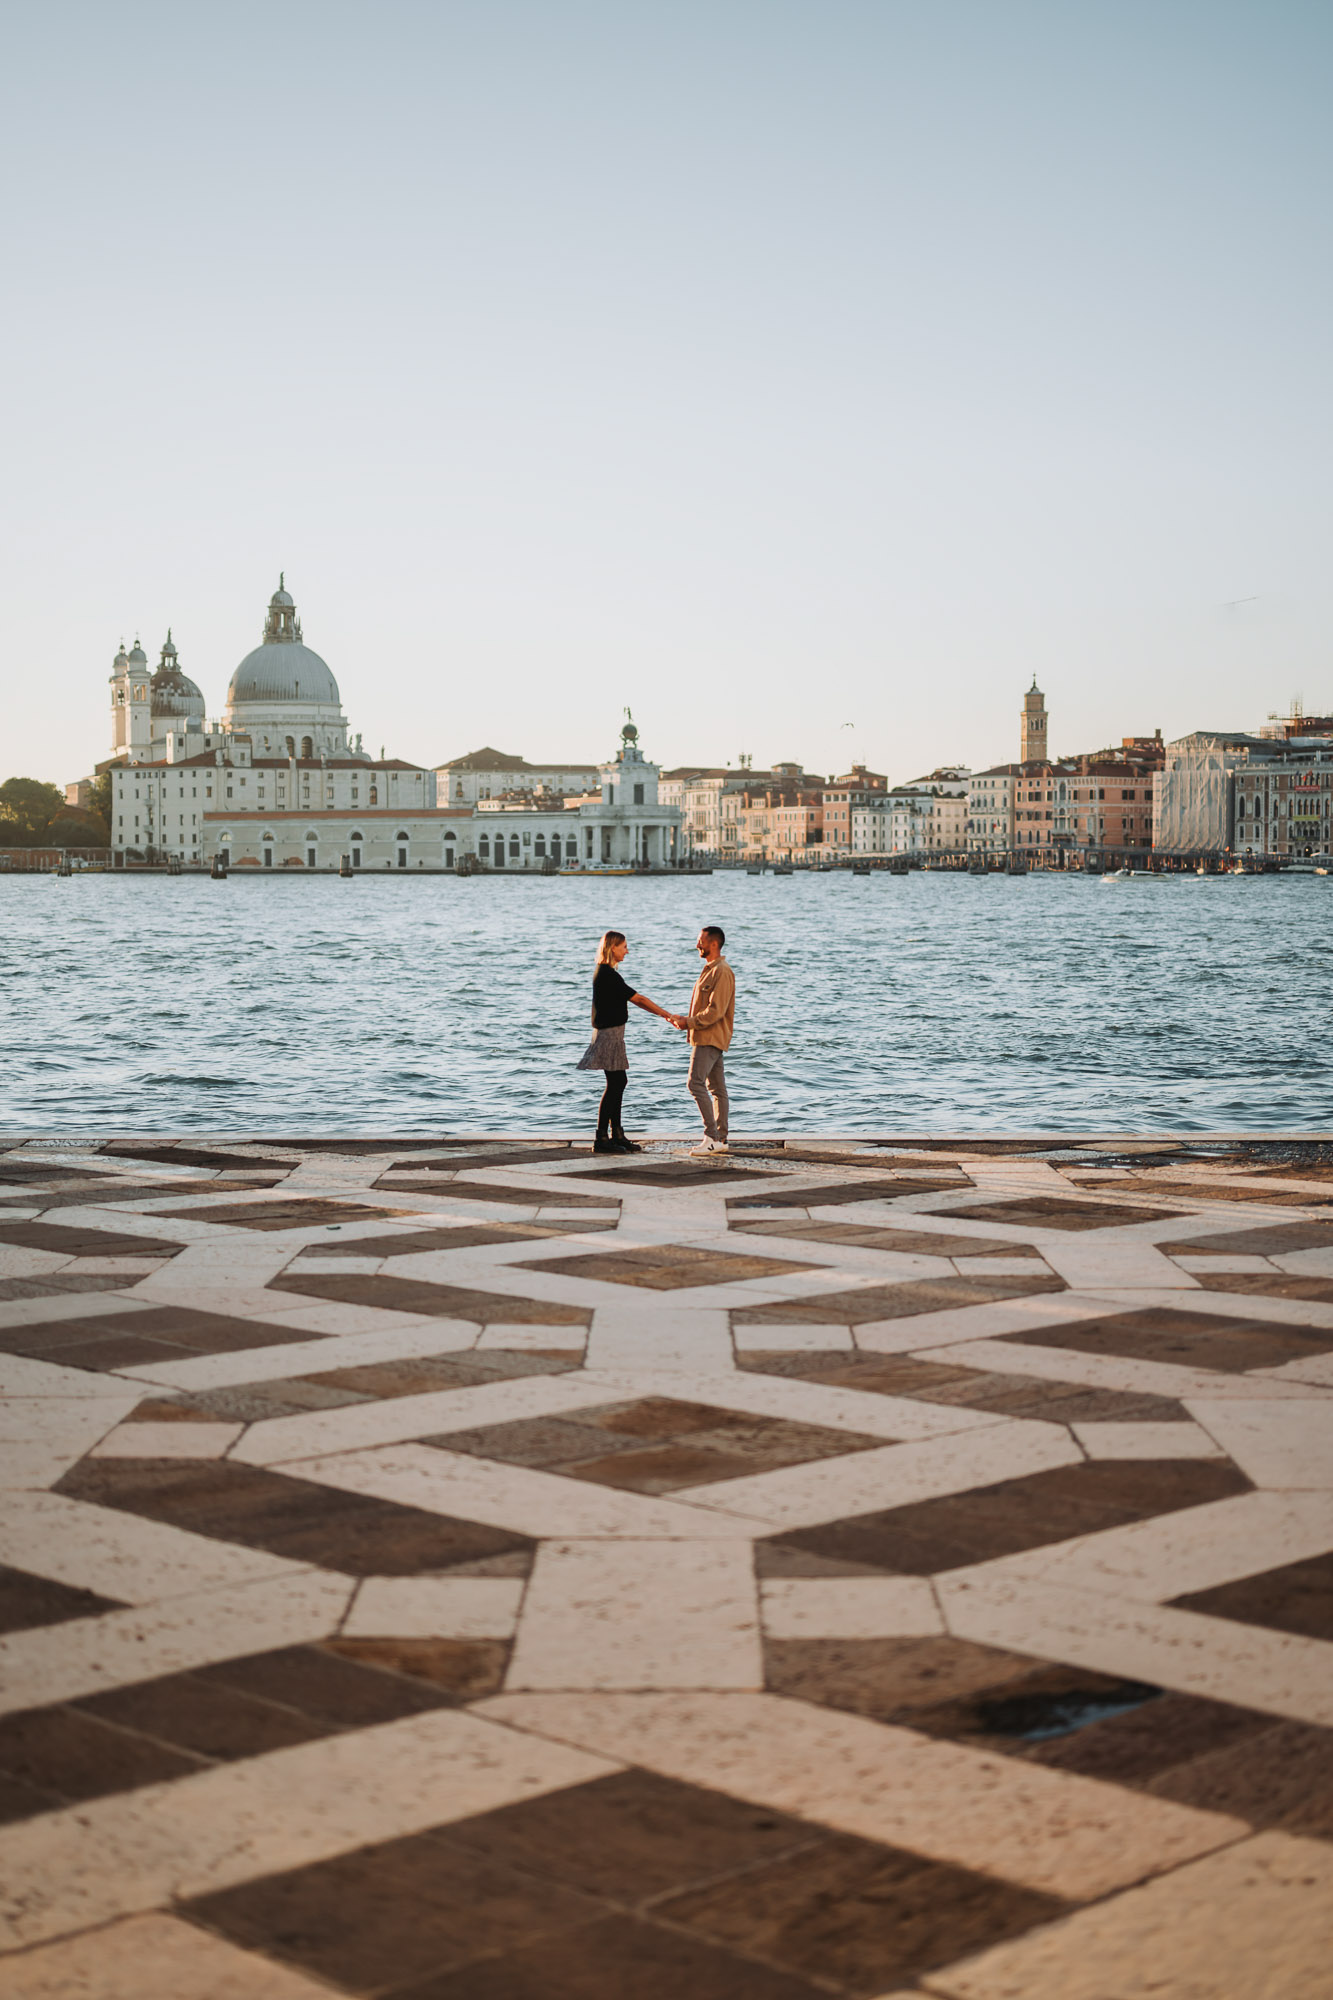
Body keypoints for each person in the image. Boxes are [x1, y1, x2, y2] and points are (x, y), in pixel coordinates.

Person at [576, 931, 678, 1154]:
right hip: (609, 1034)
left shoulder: (607, 973)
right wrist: (667, 1015)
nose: (627, 950)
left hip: (613, 1033)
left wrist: (663, 1015)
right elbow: (639, 999)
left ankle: (616, 1135)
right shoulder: (607, 974)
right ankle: (602, 1139)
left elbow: (635, 1001)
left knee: (618, 1082)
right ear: (613, 947)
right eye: (624, 947)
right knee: (616, 1083)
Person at [670, 924, 735, 1154]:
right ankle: (720, 1140)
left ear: (714, 944)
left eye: (701, 941)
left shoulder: (721, 971)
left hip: (709, 1038)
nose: (697, 945)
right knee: (716, 1088)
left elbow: (715, 1011)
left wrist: (688, 1021)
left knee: (694, 1083)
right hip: (707, 1036)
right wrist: (686, 1022)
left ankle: (711, 1137)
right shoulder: (710, 969)